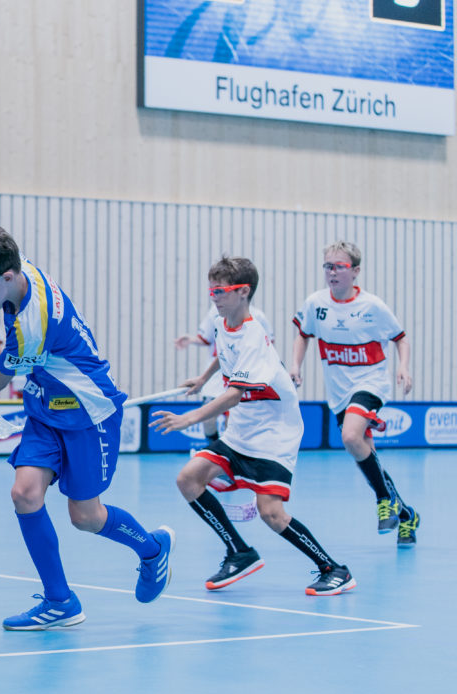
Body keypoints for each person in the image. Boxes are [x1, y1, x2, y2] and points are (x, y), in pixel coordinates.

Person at [0, 222, 173, 630]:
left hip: (88, 413)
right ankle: (60, 601)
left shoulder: (31, 328)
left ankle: (152, 549)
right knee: (24, 494)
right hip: (46, 406)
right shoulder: (22, 267)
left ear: (5, 276)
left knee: (86, 516)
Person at [154, 256, 355, 596]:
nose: (214, 297)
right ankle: (239, 551)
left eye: (221, 291)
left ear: (243, 291)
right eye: (211, 290)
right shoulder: (222, 322)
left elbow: (233, 395)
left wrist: (189, 418)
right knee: (188, 479)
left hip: (274, 433)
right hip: (243, 428)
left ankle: (333, 569)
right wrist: (203, 379)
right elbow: (223, 354)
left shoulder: (253, 335)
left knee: (271, 513)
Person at [290, 241, 419, 546]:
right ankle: (407, 516)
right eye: (328, 266)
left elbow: (400, 338)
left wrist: (403, 367)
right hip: (339, 393)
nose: (332, 272)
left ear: (356, 271)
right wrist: (295, 364)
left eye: (339, 266)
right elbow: (303, 335)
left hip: (371, 383)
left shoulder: (373, 306)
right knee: (367, 457)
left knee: (350, 437)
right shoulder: (315, 303)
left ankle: (384, 499)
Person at [174, 304, 275, 443]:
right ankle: (214, 448)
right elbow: (207, 339)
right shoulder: (216, 314)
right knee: (208, 421)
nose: (216, 297)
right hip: (215, 377)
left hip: (240, 374)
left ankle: (226, 452)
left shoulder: (258, 318)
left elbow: (267, 347)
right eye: (213, 293)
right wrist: (190, 339)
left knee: (232, 421)